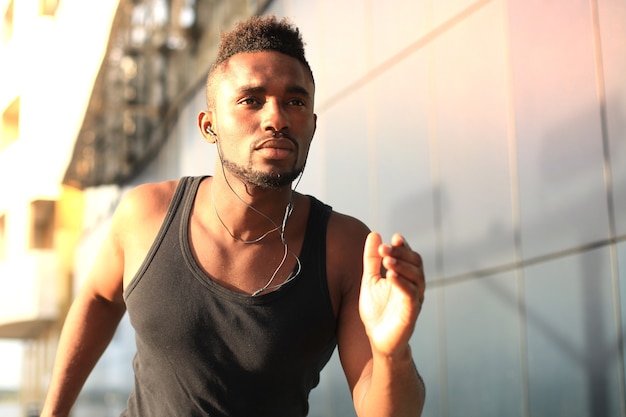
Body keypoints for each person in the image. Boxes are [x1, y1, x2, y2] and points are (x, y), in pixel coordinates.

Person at [41, 15, 426, 417]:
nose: (276, 118)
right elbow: (99, 299)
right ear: (210, 126)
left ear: (311, 125)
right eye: (251, 100)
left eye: (295, 102)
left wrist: (392, 354)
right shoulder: (146, 214)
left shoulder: (343, 248)